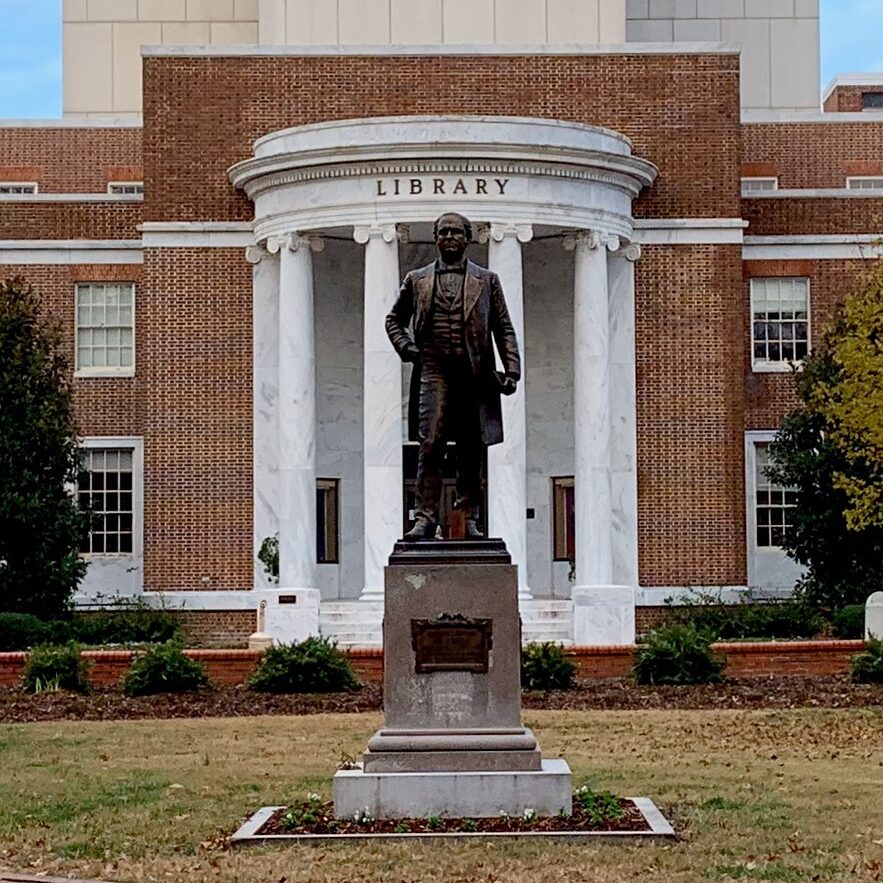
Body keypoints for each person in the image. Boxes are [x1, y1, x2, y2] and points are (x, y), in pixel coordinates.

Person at [386, 212, 521, 540]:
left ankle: (469, 515)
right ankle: (425, 516)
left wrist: (512, 370)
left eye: (455, 232)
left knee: (471, 447)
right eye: (443, 232)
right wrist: (408, 348)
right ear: (435, 238)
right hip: (433, 370)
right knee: (429, 443)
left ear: (468, 237)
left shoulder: (487, 280)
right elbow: (394, 319)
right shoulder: (417, 279)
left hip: (473, 372)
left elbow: (502, 326)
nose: (448, 237)